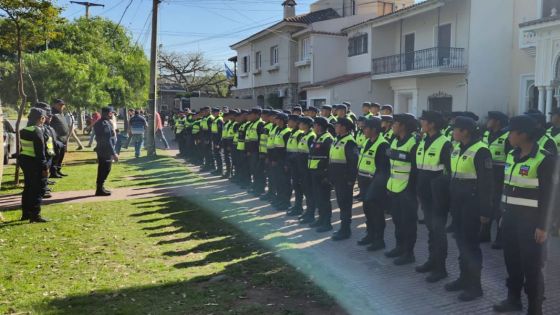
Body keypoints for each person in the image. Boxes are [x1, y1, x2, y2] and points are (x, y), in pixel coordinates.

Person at [493, 115, 556, 315]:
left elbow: (551, 196)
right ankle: (513, 300)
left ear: (524, 134)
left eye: (511, 132)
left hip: (531, 223)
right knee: (512, 262)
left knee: (532, 267)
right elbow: (508, 187)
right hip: (511, 219)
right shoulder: (512, 155)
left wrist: (544, 226)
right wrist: (503, 213)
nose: (508, 136)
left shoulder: (545, 159)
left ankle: (534, 308)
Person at [444, 116, 493, 302]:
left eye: (455, 129)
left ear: (465, 131)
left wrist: (485, 211)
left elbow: (487, 184)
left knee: (470, 245)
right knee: (461, 242)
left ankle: (475, 286)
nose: (452, 132)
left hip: (472, 204)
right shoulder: (457, 147)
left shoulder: (481, 151)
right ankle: (463, 279)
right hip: (458, 203)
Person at [415, 111, 452, 282]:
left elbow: (449, 172)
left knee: (438, 232)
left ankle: (440, 268)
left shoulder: (444, 143)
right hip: (425, 194)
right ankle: (432, 260)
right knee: (431, 230)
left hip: (437, 196)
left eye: (424, 120)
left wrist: (440, 190)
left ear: (432, 124)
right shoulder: (423, 140)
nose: (421, 122)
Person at [385, 113, 419, 265]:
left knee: (408, 223)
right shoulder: (394, 139)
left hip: (407, 190)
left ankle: (408, 253)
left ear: (403, 126)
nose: (392, 125)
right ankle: (399, 247)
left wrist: (410, 190)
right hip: (393, 187)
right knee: (397, 221)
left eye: (395, 123)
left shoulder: (414, 142)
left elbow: (416, 169)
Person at [356, 117, 390, 250]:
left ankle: (379, 240)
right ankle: (369, 235)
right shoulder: (367, 141)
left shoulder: (383, 145)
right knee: (368, 212)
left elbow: (383, 169)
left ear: (374, 130)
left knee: (377, 213)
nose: (363, 130)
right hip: (364, 183)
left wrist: (376, 186)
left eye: (366, 128)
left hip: (375, 185)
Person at [481, 111, 511, 248]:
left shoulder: (507, 137)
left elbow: (510, 158)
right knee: (487, 204)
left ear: (497, 122)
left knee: (499, 208)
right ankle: (485, 233)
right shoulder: (487, 134)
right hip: (488, 174)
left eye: (490, 119)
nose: (488, 121)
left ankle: (500, 237)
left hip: (500, 175)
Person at [328, 117, 359, 241]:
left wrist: (350, 180)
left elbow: (353, 163)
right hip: (337, 178)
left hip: (345, 180)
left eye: (337, 125)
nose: (335, 127)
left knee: (345, 205)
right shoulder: (337, 139)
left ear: (344, 127)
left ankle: (346, 230)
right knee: (341, 204)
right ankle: (343, 228)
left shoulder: (349, 142)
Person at [19, 108, 49, 223]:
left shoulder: (24, 130)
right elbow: (40, 152)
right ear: (40, 118)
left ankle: (25, 213)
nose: (44, 120)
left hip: (26, 163)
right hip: (35, 164)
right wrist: (45, 168)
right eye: (44, 118)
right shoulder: (37, 131)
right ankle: (35, 215)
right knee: (38, 189)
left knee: (28, 188)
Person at [307, 117, 334, 230]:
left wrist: (327, 175)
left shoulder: (328, 139)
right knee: (318, 198)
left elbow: (330, 158)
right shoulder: (317, 137)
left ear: (320, 126)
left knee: (324, 199)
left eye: (315, 125)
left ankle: (327, 223)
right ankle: (320, 219)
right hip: (314, 172)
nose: (313, 127)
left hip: (323, 174)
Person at [93, 107, 119, 196]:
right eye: (111, 113)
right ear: (108, 113)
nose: (112, 115)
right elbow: (107, 140)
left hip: (102, 149)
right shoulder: (104, 124)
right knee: (105, 169)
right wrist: (114, 153)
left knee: (103, 169)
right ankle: (99, 189)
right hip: (105, 150)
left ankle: (100, 188)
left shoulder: (103, 122)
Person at [296, 116, 317, 222]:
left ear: (306, 125)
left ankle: (310, 214)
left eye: (301, 123)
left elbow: (311, 154)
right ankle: (308, 212)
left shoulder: (311, 136)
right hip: (301, 167)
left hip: (307, 168)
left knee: (309, 192)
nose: (299, 125)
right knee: (306, 191)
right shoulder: (304, 135)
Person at [270, 113, 292, 211]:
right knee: (278, 181)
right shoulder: (278, 130)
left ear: (282, 120)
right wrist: (273, 159)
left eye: (278, 119)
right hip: (277, 160)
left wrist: (286, 163)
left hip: (283, 161)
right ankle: (280, 199)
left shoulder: (287, 132)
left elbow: (287, 150)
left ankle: (286, 202)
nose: (276, 121)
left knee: (285, 183)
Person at [286, 114, 305, 215]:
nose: (288, 122)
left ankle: (298, 207)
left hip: (297, 165)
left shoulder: (299, 134)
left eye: (290, 121)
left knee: (297, 186)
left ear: (295, 123)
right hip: (292, 163)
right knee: (295, 185)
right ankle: (297, 206)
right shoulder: (292, 132)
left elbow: (299, 152)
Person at [49, 99, 70, 178]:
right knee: (56, 156)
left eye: (63, 105)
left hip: (63, 138)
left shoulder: (61, 113)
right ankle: (53, 172)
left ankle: (58, 170)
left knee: (61, 155)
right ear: (55, 104)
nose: (62, 106)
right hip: (57, 139)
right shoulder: (52, 113)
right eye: (60, 105)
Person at [245, 108, 265, 193]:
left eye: (251, 114)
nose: (249, 116)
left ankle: (259, 189)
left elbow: (261, 140)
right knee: (253, 170)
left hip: (256, 152)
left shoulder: (260, 124)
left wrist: (259, 152)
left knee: (258, 171)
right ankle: (255, 186)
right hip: (251, 151)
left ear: (257, 115)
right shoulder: (251, 124)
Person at [210, 108, 224, 175]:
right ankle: (218, 169)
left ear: (218, 112)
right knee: (216, 155)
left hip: (218, 140)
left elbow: (221, 133)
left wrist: (219, 143)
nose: (212, 113)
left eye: (214, 112)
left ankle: (220, 170)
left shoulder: (219, 120)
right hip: (215, 140)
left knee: (218, 155)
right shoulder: (215, 119)